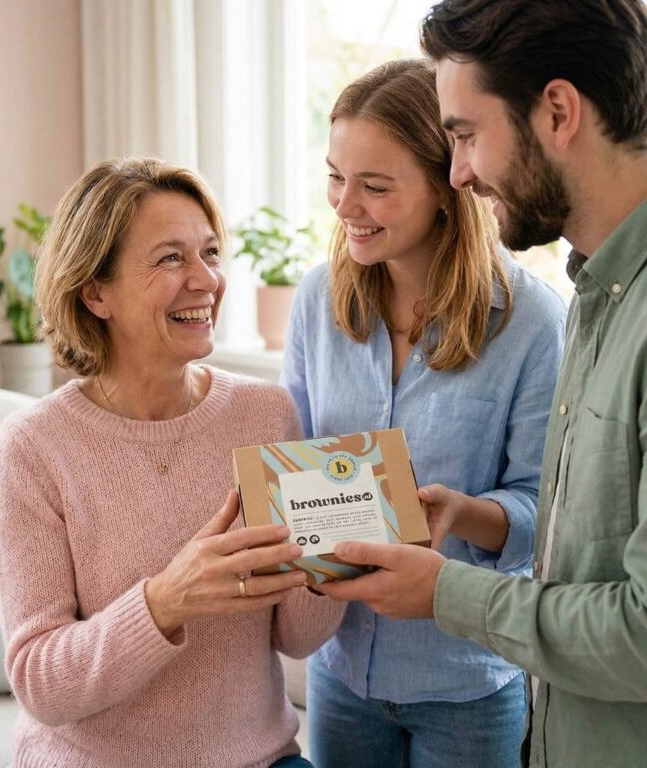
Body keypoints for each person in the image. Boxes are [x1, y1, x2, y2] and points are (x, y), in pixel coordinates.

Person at [317, 2, 647, 766]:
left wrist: (446, 591)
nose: (460, 170)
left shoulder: (551, 314)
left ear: (558, 112)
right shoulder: (600, 299)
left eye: (465, 134)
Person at [0, 157, 344, 768]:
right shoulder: (33, 446)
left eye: (210, 253)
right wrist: (164, 602)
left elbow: (296, 636)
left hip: (258, 758)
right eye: (171, 258)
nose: (206, 280)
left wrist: (334, 551)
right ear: (96, 292)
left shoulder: (265, 415)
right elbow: (40, 681)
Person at [281, 59, 565, 768]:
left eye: (375, 187)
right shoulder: (318, 302)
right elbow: (292, 465)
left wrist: (461, 512)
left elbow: (546, 511)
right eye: (335, 177)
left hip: (468, 684)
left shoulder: (532, 322)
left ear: (448, 188)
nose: (345, 205)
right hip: (341, 671)